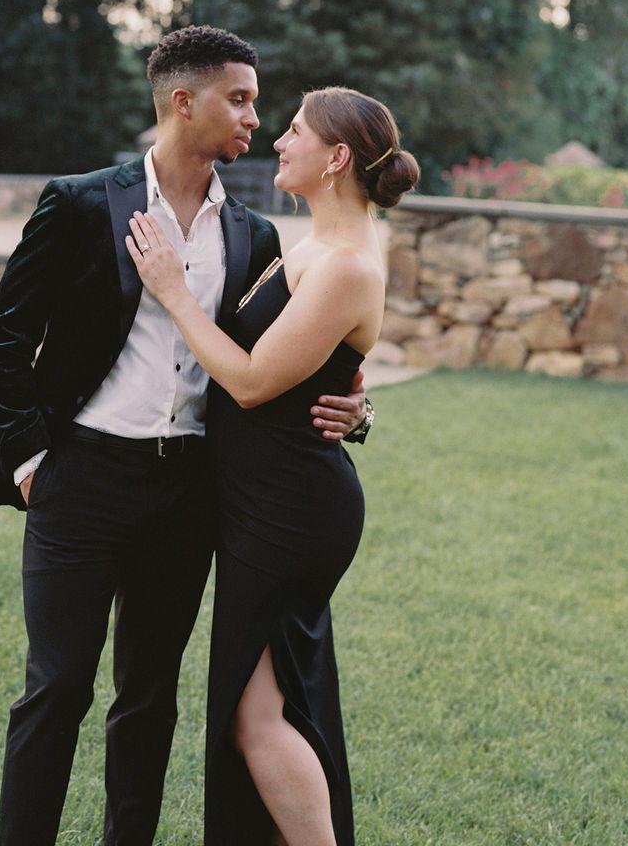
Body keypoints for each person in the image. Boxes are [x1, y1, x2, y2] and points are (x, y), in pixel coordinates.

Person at [0, 27, 372, 846]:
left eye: (258, 103)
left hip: (190, 493)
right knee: (56, 689)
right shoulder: (82, 202)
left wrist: (358, 410)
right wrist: (31, 459)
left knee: (150, 696)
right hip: (79, 480)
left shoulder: (254, 235)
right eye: (240, 99)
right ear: (183, 102)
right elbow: (6, 338)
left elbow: (275, 364)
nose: (256, 118)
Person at [126, 86, 420, 846]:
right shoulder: (311, 246)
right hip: (259, 501)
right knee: (270, 703)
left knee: (254, 714)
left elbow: (254, 382)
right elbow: (323, 377)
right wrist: (360, 409)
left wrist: (172, 292)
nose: (278, 141)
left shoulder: (347, 265)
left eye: (295, 131)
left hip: (290, 512)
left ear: (337, 157)